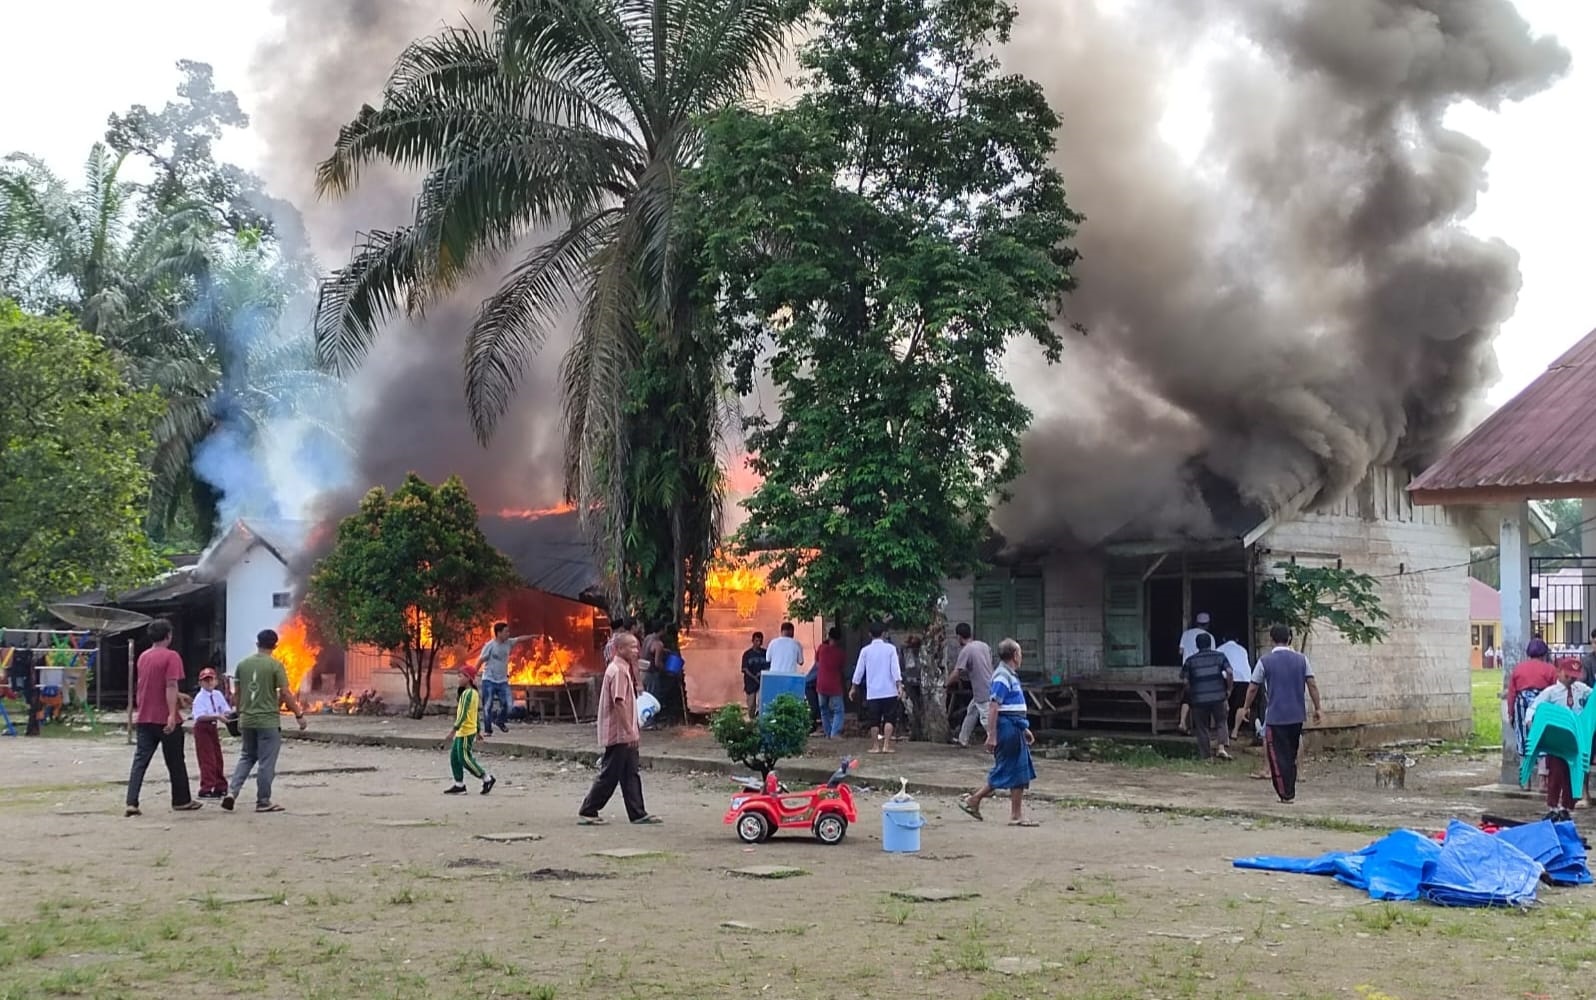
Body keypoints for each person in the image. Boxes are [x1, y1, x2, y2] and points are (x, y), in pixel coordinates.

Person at [578, 632, 661, 825]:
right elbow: (619, 702)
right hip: (619, 732)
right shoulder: (617, 671)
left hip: (625, 731)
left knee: (630, 773)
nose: (636, 650)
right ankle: (588, 810)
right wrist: (629, 731)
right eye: (631, 647)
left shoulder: (622, 668)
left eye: (637, 647)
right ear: (620, 649)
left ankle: (638, 813)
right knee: (610, 773)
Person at [223, 629, 308, 814]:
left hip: (246, 719)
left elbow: (237, 693)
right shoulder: (275, 666)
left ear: (257, 643)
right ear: (275, 646)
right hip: (268, 721)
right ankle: (263, 801)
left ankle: (232, 792)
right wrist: (299, 715)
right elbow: (285, 693)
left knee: (246, 756)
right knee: (266, 762)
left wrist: (239, 714)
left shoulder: (242, 665)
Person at [956, 639, 1038, 826]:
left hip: (1015, 725)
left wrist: (1024, 728)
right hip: (1007, 727)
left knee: (1020, 771)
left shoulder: (1009, 674)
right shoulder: (1002, 676)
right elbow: (994, 706)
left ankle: (1015, 814)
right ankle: (974, 799)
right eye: (1020, 652)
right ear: (1015, 655)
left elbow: (1010, 706)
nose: (1021, 656)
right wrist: (992, 735)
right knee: (1007, 768)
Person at [125, 619, 201, 817]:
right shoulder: (171, 656)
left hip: (144, 717)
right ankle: (181, 800)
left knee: (140, 761)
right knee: (175, 761)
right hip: (165, 718)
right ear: (168, 635)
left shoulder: (143, 657)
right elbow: (169, 685)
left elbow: (151, 685)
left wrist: (178, 696)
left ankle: (131, 801)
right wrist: (170, 714)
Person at [1240, 625, 1321, 805]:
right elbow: (1312, 684)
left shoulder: (1265, 661)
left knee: (1278, 755)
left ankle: (1285, 793)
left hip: (1276, 715)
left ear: (1271, 639)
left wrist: (1245, 707)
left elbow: (1253, 687)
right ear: (1290, 639)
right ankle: (1289, 788)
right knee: (1290, 753)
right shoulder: (1302, 660)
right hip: (1297, 715)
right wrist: (1318, 708)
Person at [1526, 657, 1590, 820]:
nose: (1571, 679)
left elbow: (1592, 696)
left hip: (1574, 739)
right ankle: (1553, 806)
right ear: (1559, 672)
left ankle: (1567, 806)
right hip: (1556, 740)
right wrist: (1531, 719)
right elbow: (1535, 706)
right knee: (1556, 773)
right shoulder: (1551, 692)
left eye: (1574, 676)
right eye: (1568, 676)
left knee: (1573, 773)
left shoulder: (1580, 689)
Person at [1506, 638, 1558, 782]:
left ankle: (1525, 779)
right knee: (1543, 738)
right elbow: (1555, 692)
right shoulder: (1550, 669)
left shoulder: (1518, 669)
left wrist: (1511, 713)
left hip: (1521, 704)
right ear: (1544, 653)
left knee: (1523, 740)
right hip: (1542, 707)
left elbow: (1512, 693)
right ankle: (1543, 779)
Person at [850, 621, 904, 754]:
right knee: (889, 718)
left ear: (870, 634)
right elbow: (895, 669)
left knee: (873, 720)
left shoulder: (865, 651)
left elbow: (859, 671)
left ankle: (875, 746)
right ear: (884, 634)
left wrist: (853, 687)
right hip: (889, 690)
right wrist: (899, 685)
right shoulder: (890, 649)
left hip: (873, 692)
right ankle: (886, 745)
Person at [1179, 634, 1233, 761]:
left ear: (1197, 645)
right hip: (1219, 696)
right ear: (1210, 644)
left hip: (1199, 699)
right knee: (1221, 721)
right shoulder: (1220, 656)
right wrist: (1229, 689)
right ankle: (1221, 748)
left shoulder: (1190, 660)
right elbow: (1229, 672)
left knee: (1202, 727)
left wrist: (1191, 693)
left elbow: (1185, 681)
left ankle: (1207, 757)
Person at [477, 622, 534, 736]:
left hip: (502, 680)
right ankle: (488, 730)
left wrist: (533, 636)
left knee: (509, 705)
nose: (508, 634)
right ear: (498, 633)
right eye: (506, 632)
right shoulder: (490, 646)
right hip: (489, 680)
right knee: (487, 705)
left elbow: (519, 639)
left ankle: (500, 720)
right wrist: (472, 674)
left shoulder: (508, 643)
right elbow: (480, 661)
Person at [446, 664, 496, 795]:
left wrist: (453, 730)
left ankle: (486, 778)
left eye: (460, 676)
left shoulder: (468, 694)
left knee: (464, 758)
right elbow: (475, 713)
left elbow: (462, 714)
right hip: (467, 730)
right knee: (454, 757)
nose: (458, 678)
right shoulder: (473, 693)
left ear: (468, 678)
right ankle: (459, 785)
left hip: (465, 731)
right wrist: (478, 731)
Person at [945, 623, 994, 749]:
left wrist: (945, 684)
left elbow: (957, 673)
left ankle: (996, 741)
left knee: (986, 719)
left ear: (959, 637)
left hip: (981, 689)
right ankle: (963, 739)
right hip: (991, 684)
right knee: (972, 711)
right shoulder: (984, 646)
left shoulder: (966, 650)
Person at [190, 667, 233, 798]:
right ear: (201, 683)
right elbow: (199, 716)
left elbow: (225, 709)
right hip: (202, 728)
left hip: (213, 727)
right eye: (205, 680)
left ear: (216, 681)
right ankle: (207, 787)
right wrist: (217, 716)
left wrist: (229, 714)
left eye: (211, 680)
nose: (208, 683)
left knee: (217, 757)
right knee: (207, 758)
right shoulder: (200, 698)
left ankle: (220, 785)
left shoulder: (217, 695)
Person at [814, 627, 847, 739]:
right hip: (834, 685)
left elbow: (817, 663)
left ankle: (828, 733)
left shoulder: (821, 648)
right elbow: (841, 668)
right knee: (839, 710)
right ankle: (834, 733)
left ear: (829, 636)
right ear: (839, 639)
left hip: (821, 684)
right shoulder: (840, 653)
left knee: (824, 710)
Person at [741, 631, 770, 719]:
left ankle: (760, 720)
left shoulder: (766, 653)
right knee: (751, 705)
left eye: (760, 641)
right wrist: (754, 677)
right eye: (757, 641)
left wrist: (761, 673)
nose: (758, 643)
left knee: (763, 703)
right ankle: (752, 720)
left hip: (763, 680)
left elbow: (770, 667)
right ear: (752, 641)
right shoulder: (747, 654)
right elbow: (745, 669)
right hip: (750, 681)